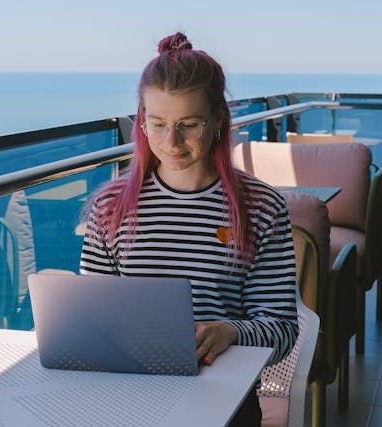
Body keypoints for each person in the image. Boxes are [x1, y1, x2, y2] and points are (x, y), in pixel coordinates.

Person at [79, 32, 298, 426]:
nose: (171, 141)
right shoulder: (110, 207)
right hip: (129, 397)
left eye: (189, 125)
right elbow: (91, 319)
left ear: (218, 120)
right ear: (141, 120)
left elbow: (282, 329)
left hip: (224, 401)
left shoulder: (261, 207)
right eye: (157, 124)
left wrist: (229, 331)